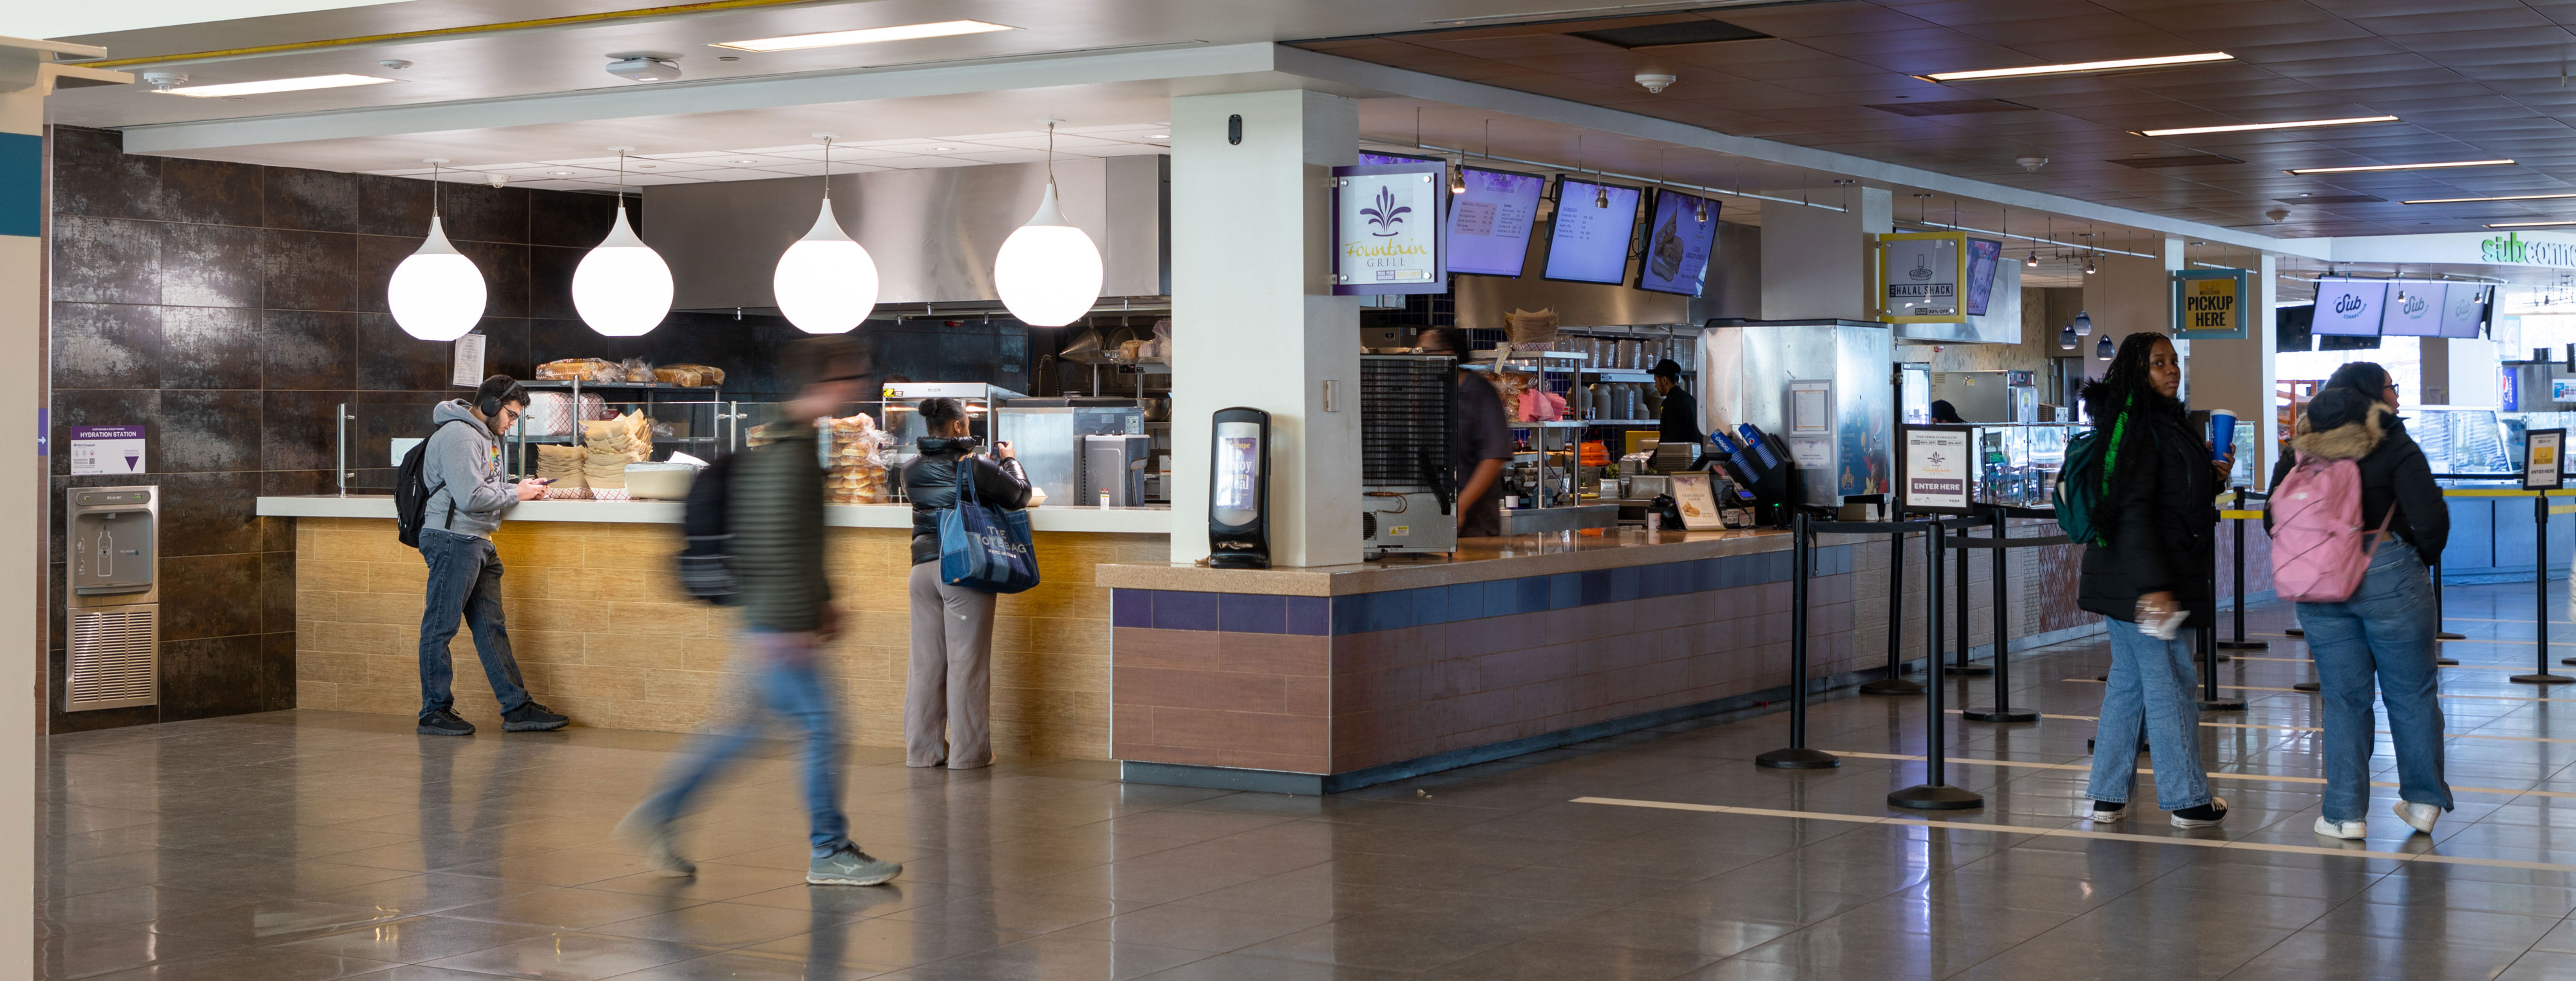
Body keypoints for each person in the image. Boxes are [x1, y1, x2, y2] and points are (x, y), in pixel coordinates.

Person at [623, 336, 900, 887]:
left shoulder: (788, 442)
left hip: (774, 619)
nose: (856, 388)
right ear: (821, 385)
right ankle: (829, 850)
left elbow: (798, 539)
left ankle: (662, 812)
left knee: (742, 732)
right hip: (777, 625)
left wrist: (820, 600)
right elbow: (772, 542)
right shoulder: (790, 453)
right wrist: (791, 621)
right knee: (823, 727)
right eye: (847, 377)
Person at [2266, 363, 2451, 839]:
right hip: (2386, 569)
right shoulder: (2390, 437)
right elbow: (2430, 517)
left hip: (2320, 582)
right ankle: (2423, 800)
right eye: (2392, 385)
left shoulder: (2302, 442)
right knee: (2411, 692)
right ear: (2375, 392)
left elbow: (2274, 516)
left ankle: (2345, 813)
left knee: (2344, 698)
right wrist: (2410, 556)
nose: (2395, 394)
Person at [2076, 332, 2230, 828]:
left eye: (2174, 361)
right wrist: (2153, 589)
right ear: (2136, 371)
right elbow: (2136, 513)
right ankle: (2186, 797)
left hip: (2137, 580)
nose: (2171, 370)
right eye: (2158, 363)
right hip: (2145, 581)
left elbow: (2169, 496)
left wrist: (2212, 476)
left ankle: (2107, 793)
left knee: (2129, 685)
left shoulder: (2158, 423)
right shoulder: (2138, 427)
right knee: (2171, 682)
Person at [414, 376, 567, 737]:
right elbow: (469, 497)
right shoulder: (460, 435)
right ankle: (433, 711)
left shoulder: (483, 436)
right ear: (490, 406)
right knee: (440, 627)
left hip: (476, 541)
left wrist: (518, 488)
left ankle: (516, 707)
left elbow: (480, 488)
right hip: (453, 540)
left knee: (490, 628)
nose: (512, 425)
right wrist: (516, 494)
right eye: (511, 416)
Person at [902, 397, 1032, 769]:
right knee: (967, 664)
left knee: (925, 666)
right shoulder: (972, 467)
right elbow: (1020, 494)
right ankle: (970, 754)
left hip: (921, 572)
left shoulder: (909, 470)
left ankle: (923, 752)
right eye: (968, 422)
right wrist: (1008, 459)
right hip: (963, 570)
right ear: (958, 427)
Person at [1421, 328, 1513, 537]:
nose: (1423, 359)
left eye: (1427, 352)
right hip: (1430, 519)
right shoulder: (1430, 392)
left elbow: (1494, 457)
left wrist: (1459, 508)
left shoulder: (1481, 394)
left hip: (1473, 525)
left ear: (1448, 354)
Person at [1652, 358, 1704, 448]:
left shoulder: (1670, 403)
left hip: (1680, 459)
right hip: (1697, 458)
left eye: (1656, 381)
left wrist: (1651, 461)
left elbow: (1668, 440)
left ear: (1664, 380)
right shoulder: (1691, 400)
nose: (1655, 385)